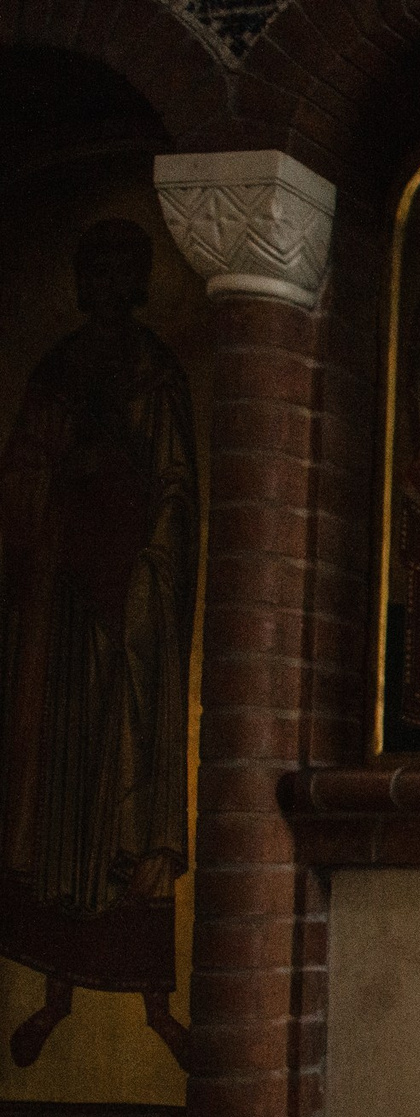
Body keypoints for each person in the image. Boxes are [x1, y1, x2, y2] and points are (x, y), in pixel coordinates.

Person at [0, 217, 197, 1071]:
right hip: (60, 611)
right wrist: (57, 480)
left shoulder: (155, 372)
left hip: (132, 612)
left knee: (130, 786)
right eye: (96, 270)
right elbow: (19, 478)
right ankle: (50, 999)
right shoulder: (55, 372)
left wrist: (143, 558)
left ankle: (158, 1008)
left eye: (123, 271)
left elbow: (178, 491)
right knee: (62, 799)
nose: (108, 285)